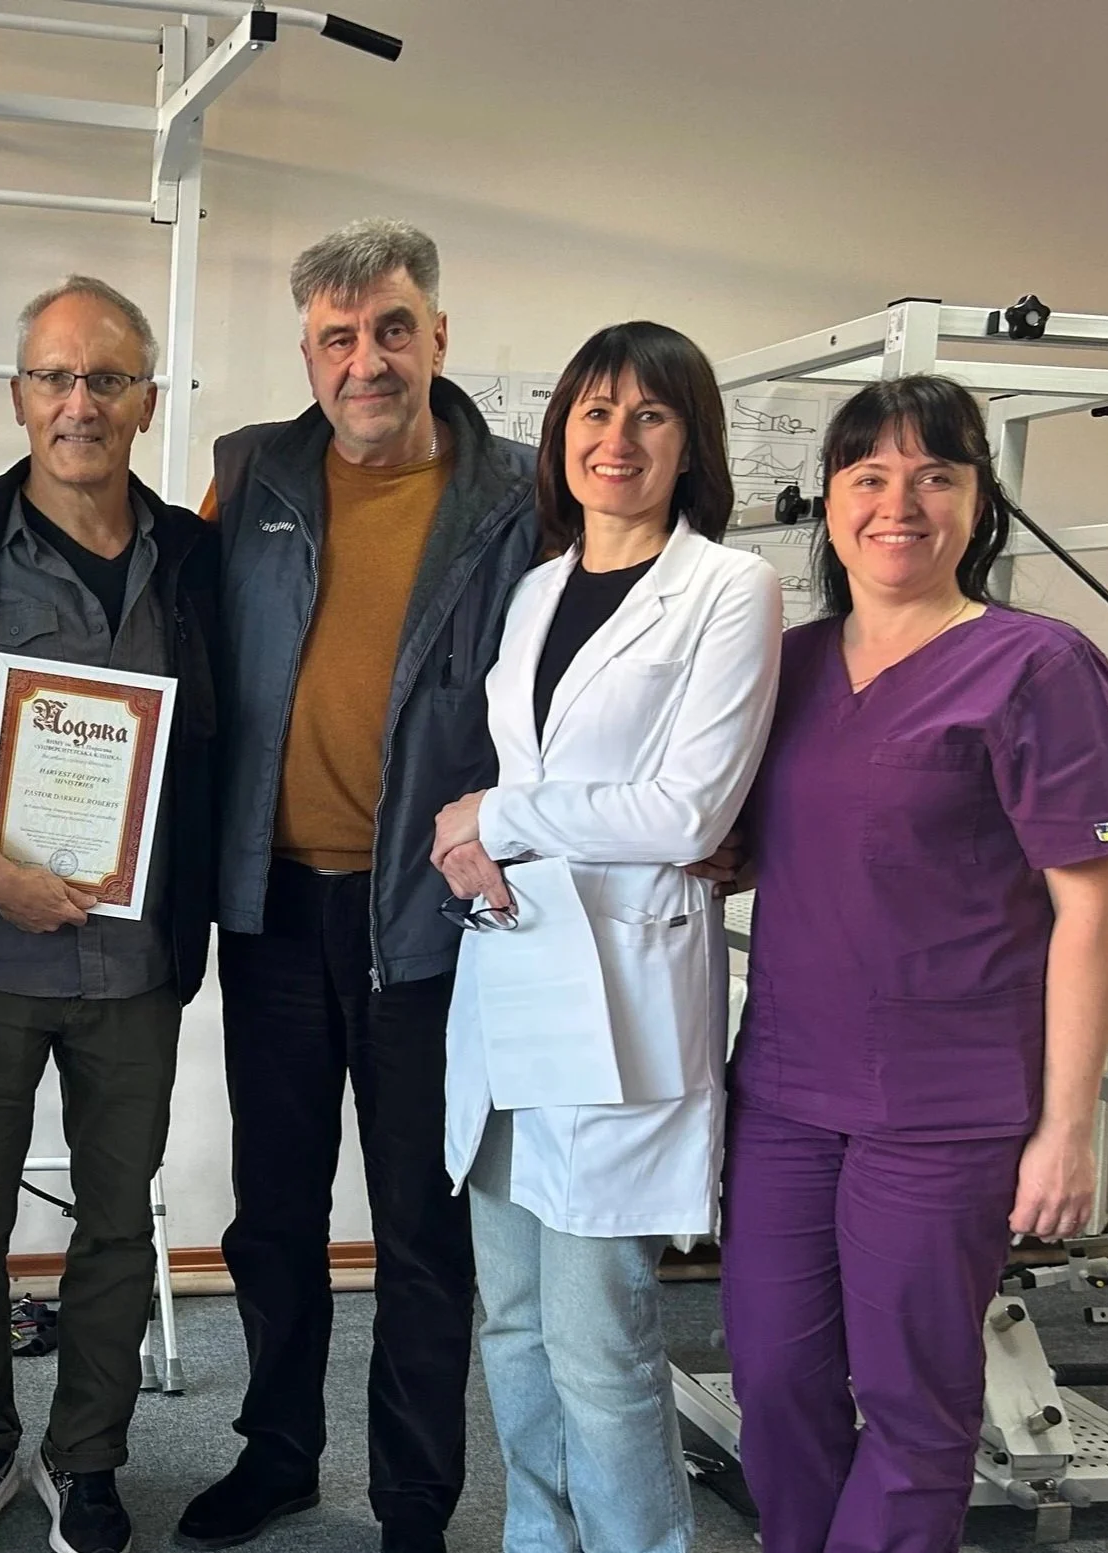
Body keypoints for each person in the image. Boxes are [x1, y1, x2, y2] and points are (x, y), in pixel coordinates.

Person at [180, 218, 540, 1553]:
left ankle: (411, 1502)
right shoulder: (248, 474)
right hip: (271, 908)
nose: (366, 360)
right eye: (338, 337)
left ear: (436, 334)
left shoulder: (515, 497)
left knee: (418, 1233)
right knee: (271, 1212)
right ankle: (276, 1451)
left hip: (429, 926)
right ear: (307, 352)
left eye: (391, 328)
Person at [718, 375, 1108, 1551]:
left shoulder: (1039, 667)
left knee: (911, 1401)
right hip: (785, 1088)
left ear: (978, 500)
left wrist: (1065, 1128)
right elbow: (743, 846)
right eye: (870, 477)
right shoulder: (779, 665)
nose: (902, 502)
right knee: (776, 1383)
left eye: (936, 474)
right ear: (829, 503)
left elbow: (1090, 912)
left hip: (944, 1106)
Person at [0, 275, 218, 1553]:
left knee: (117, 1227)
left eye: (108, 378)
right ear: (20, 395)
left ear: (145, 400)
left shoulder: (196, 558)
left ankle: (90, 1461)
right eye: (56, 377)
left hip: (135, 968)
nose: (81, 403)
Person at [429, 321, 782, 1552]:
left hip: (621, 999)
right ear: (559, 433)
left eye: (647, 415)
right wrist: (475, 840)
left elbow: (688, 807)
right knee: (513, 1318)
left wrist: (497, 812)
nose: (613, 438)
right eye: (591, 411)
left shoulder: (728, 590)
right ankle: (540, 1534)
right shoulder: (533, 589)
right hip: (515, 971)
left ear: (690, 446)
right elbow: (557, 785)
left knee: (598, 1334)